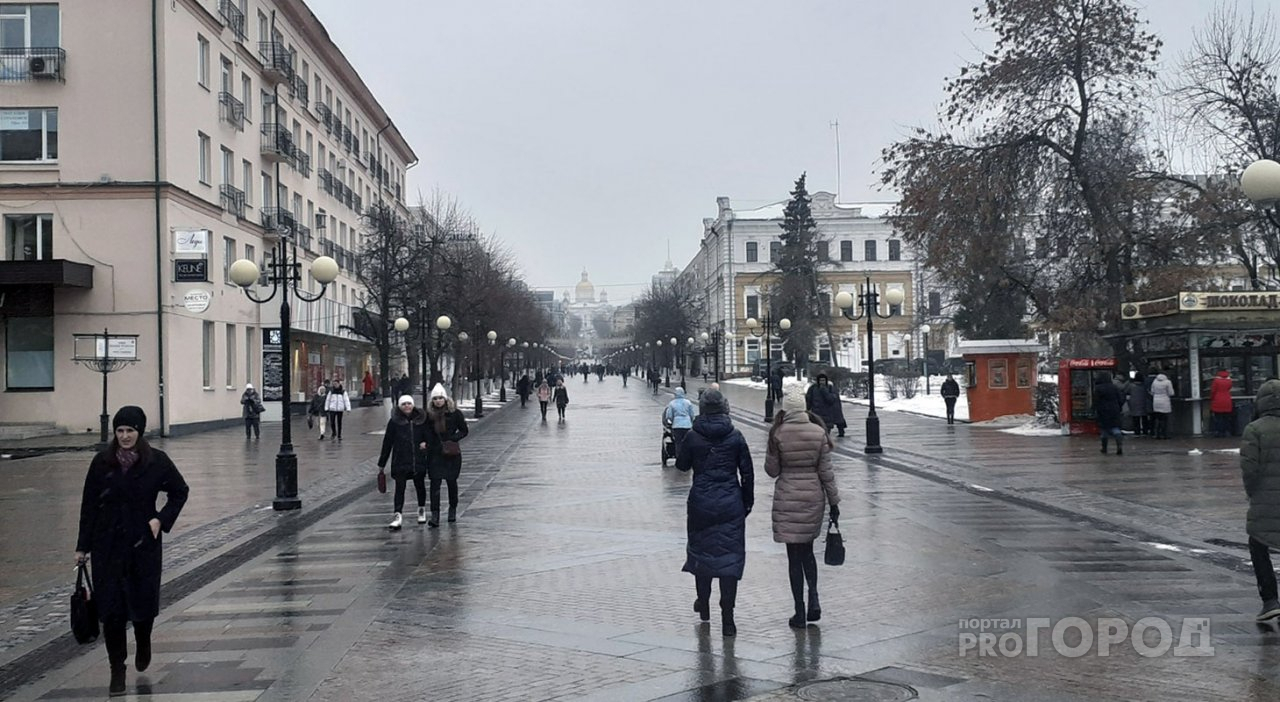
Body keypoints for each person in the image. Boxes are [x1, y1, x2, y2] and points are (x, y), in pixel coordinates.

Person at [75, 406, 189, 696]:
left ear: (140, 432)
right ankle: (117, 669)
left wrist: (160, 520)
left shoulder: (156, 461)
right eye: (120, 431)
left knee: (142, 605)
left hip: (142, 544)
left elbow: (180, 491)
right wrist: (82, 546)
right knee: (111, 611)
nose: (125, 436)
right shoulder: (102, 463)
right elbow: (89, 505)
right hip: (107, 545)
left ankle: (143, 639)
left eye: (130, 430)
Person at [676, 389, 753, 637]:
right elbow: (747, 473)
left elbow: (682, 465)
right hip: (731, 503)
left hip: (701, 502)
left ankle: (704, 603)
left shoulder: (693, 436)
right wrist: (746, 502)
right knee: (729, 558)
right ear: (723, 407)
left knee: (702, 554)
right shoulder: (735, 436)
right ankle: (728, 618)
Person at [766, 383, 839, 629]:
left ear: (786, 408)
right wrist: (834, 502)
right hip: (812, 497)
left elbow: (772, 470)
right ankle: (814, 597)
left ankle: (799, 610)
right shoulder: (818, 432)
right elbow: (826, 472)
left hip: (787, 496)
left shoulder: (778, 432)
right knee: (808, 551)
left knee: (793, 558)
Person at [1241, 379, 1280, 622]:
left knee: (1258, 543)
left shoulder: (1254, 429)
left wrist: (1252, 491)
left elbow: (1250, 468)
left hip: (1265, 498)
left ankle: (1270, 600)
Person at [378, 395, 429, 529]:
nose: (407, 406)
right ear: (400, 406)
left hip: (417, 460)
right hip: (400, 460)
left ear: (413, 405)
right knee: (399, 488)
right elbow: (387, 443)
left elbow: (429, 437)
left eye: (409, 403)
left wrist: (426, 444)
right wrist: (382, 463)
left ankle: (421, 509)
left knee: (420, 486)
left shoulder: (421, 420)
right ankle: (398, 514)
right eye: (404, 404)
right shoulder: (394, 422)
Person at [424, 383, 469, 527]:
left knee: (451, 482)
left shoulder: (455, 413)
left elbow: (464, 430)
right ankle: (435, 515)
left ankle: (452, 509)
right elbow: (425, 432)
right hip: (434, 454)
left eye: (440, 398)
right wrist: (426, 443)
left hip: (451, 454)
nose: (438, 401)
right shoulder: (428, 416)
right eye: (435, 398)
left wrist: (452, 439)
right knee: (435, 485)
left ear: (445, 399)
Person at [805, 373, 847, 437]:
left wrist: (824, 391)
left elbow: (831, 400)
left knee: (826, 433)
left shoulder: (830, 388)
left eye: (823, 380)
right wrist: (807, 409)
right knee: (818, 432)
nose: (822, 382)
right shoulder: (812, 388)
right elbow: (808, 399)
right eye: (820, 380)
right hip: (816, 412)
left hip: (828, 413)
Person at [1094, 372, 1126, 455]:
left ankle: (1104, 448)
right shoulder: (1114, 387)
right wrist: (1118, 407)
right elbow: (1121, 399)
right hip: (1114, 409)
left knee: (1104, 429)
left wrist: (1095, 409)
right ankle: (1119, 444)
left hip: (1103, 410)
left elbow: (1096, 401)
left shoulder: (1098, 388)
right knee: (1115, 427)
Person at [664, 386, 697, 454]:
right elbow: (691, 414)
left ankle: (679, 457)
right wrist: (691, 422)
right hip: (687, 425)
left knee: (678, 443)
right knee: (688, 442)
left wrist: (673, 421)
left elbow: (669, 416)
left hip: (677, 425)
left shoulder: (672, 403)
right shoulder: (688, 402)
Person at [1150, 372, 1175, 439]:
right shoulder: (1168, 382)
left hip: (1156, 402)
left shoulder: (1154, 381)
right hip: (1165, 401)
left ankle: (1157, 434)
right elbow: (1171, 393)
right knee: (1165, 419)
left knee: (1158, 419)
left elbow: (1152, 392)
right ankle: (1165, 434)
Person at [1211, 369, 1235, 438]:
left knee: (1218, 417)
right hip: (1227, 399)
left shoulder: (1216, 381)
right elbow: (1229, 388)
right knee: (1226, 417)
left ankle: (1219, 432)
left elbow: (1213, 391)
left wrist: (1212, 398)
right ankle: (1227, 431)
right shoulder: (1229, 380)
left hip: (1217, 400)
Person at [1128, 371, 1149, 436]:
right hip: (1143, 401)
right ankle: (1145, 431)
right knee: (1144, 417)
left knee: (1135, 417)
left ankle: (1137, 431)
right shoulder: (1144, 385)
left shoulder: (1131, 385)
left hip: (1134, 402)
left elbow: (1126, 391)